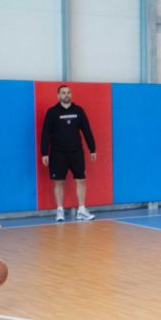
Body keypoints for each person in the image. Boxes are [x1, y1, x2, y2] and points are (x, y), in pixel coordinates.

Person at [40, 85, 97, 222]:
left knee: (81, 180)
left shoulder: (78, 111)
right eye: (63, 93)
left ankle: (81, 210)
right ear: (58, 96)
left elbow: (86, 130)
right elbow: (46, 133)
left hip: (76, 151)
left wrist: (92, 148)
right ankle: (60, 210)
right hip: (58, 153)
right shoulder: (52, 112)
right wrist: (44, 153)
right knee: (59, 182)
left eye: (68, 93)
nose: (66, 95)